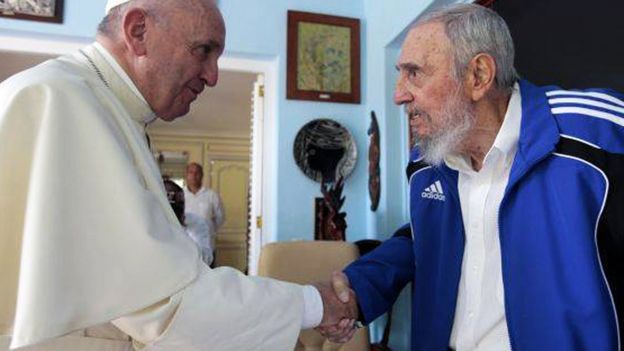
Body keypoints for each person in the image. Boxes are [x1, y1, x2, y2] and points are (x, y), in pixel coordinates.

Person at [0, 0, 357, 350]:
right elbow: (164, 304)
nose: (213, 76)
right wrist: (313, 304)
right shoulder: (59, 101)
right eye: (203, 50)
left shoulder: (104, 106)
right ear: (138, 31)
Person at [320, 3, 623, 350]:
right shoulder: (426, 161)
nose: (399, 94)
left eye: (414, 73)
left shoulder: (599, 137)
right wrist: (360, 288)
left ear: (478, 75)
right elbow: (426, 238)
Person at [184, 162, 224, 266]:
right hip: (185, 246)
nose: (194, 175)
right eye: (191, 172)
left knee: (208, 278)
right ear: (186, 175)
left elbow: (220, 218)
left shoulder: (211, 195)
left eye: (197, 173)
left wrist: (208, 229)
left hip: (207, 246)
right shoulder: (181, 195)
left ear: (202, 175)